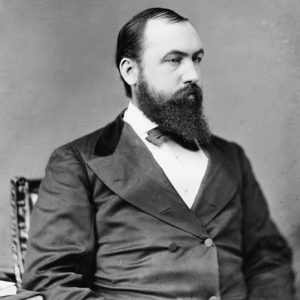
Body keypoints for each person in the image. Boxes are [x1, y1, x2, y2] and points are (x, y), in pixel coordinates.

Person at [22, 7, 295, 300]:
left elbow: (269, 260)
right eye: (174, 60)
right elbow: (49, 282)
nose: (193, 75)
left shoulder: (230, 157)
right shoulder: (79, 162)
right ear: (130, 71)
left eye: (197, 59)